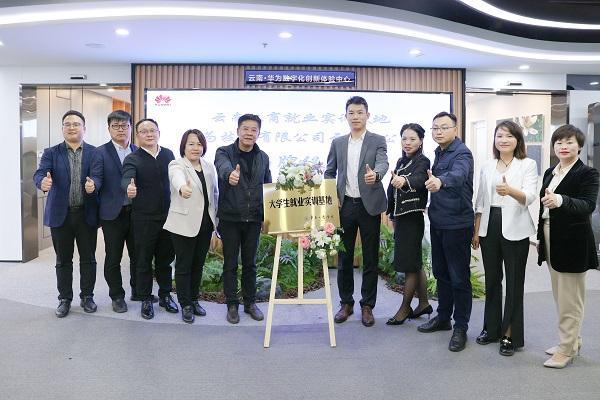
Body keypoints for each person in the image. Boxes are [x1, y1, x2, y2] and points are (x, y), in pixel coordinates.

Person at [471, 120, 538, 356]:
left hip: (516, 228)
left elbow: (529, 197)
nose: (503, 140)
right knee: (492, 280)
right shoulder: (488, 166)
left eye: (509, 136)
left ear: (517, 140)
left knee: (514, 283)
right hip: (489, 227)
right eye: (499, 136)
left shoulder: (527, 164)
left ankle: (510, 333)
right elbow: (480, 200)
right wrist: (476, 231)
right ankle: (491, 329)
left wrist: (510, 191)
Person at [537, 124, 599, 368]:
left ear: (579, 146)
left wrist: (560, 200)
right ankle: (573, 341)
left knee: (570, 298)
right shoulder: (551, 172)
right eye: (559, 142)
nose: (563, 146)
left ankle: (566, 350)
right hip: (550, 235)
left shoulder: (587, 173)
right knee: (561, 295)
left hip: (573, 241)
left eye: (569, 142)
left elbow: (587, 205)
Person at [325, 96, 389, 327]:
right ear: (346, 116)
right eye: (351, 113)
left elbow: (383, 163)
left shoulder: (377, 140)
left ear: (367, 115)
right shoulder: (338, 143)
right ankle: (346, 303)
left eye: (360, 112)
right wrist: (332, 195)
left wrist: (377, 175)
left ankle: (367, 305)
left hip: (368, 205)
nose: (355, 117)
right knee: (344, 257)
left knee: (370, 257)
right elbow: (329, 171)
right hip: (345, 206)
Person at [33, 110, 98, 317]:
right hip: (61, 215)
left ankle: (87, 296)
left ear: (84, 128)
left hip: (86, 214)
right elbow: (40, 173)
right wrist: (42, 182)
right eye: (67, 124)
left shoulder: (94, 152)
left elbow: (98, 176)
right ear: (62, 128)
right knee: (63, 260)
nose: (72, 127)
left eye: (76, 124)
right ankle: (64, 299)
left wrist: (94, 185)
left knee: (88, 259)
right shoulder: (51, 152)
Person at [418, 111, 474, 352]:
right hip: (439, 221)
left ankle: (460, 327)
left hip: (457, 224)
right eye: (435, 128)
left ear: (455, 129)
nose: (438, 131)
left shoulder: (462, 153)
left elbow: (459, 175)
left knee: (459, 278)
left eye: (444, 127)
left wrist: (441, 181)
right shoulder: (439, 152)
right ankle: (443, 318)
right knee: (441, 273)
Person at [214, 114, 272, 324]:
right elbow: (222, 167)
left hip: (253, 218)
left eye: (253, 130)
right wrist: (230, 174)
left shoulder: (263, 157)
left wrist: (267, 216)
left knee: (250, 264)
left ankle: (250, 303)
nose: (249, 133)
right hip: (230, 217)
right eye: (245, 128)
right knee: (230, 263)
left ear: (258, 133)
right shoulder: (224, 152)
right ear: (238, 130)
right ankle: (232, 304)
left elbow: (268, 186)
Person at [121, 118, 178, 319]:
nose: (149, 134)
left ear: (158, 133)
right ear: (137, 136)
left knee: (165, 260)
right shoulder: (133, 158)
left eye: (152, 130)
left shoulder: (168, 154)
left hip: (168, 217)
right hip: (143, 218)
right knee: (143, 260)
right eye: (144, 131)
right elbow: (127, 177)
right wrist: (129, 187)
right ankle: (145, 298)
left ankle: (165, 295)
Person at [163, 129, 218, 323]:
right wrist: (182, 188)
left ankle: (194, 300)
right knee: (184, 265)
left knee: (198, 265)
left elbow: (214, 195)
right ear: (184, 147)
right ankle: (185, 304)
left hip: (205, 224)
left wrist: (216, 222)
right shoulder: (177, 164)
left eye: (199, 144)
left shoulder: (209, 166)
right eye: (191, 144)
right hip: (183, 224)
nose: (196, 148)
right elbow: (176, 178)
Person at [89, 110, 138, 313]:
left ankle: (138, 290)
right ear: (108, 129)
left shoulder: (137, 151)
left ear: (130, 128)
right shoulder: (100, 152)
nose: (120, 129)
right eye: (115, 126)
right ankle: (117, 296)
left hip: (137, 213)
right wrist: (93, 185)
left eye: (124, 125)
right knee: (113, 257)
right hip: (112, 214)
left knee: (138, 255)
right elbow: (97, 177)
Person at [385, 123, 432, 325]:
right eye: (404, 138)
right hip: (401, 218)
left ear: (421, 141)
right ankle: (423, 303)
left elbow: (420, 179)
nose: (407, 142)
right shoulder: (401, 160)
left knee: (410, 266)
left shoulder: (423, 161)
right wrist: (391, 214)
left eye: (412, 139)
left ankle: (405, 308)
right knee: (415, 262)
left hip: (412, 218)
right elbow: (392, 189)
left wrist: (404, 181)